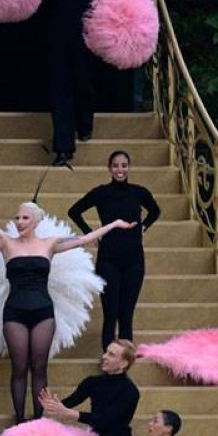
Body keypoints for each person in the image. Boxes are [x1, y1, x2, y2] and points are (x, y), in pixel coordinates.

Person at [0, 200, 134, 422]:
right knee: (19, 368)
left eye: (25, 218)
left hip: (43, 312)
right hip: (14, 312)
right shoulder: (6, 243)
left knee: (39, 368)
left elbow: (85, 239)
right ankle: (19, 419)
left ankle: (38, 421)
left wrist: (113, 224)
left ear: (37, 221)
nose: (19, 222)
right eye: (17, 218)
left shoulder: (50, 244)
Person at [68, 150, 161, 350]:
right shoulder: (101, 193)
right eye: (116, 166)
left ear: (129, 167)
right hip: (108, 259)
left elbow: (155, 210)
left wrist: (144, 226)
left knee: (126, 314)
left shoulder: (139, 192)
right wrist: (91, 234)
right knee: (111, 313)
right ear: (109, 168)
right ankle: (108, 358)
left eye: (124, 165)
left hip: (134, 260)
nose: (121, 170)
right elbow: (74, 211)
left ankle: (125, 363)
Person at [37, 0, 109, 167]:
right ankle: (63, 147)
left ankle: (85, 125)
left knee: (83, 79)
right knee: (59, 84)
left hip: (87, 22)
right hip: (55, 24)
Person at [39, 339, 140, 436]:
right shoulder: (93, 382)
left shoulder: (130, 391)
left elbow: (106, 420)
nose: (104, 356)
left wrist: (71, 414)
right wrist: (52, 405)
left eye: (111, 354)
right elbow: (69, 402)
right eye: (106, 352)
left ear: (123, 363)